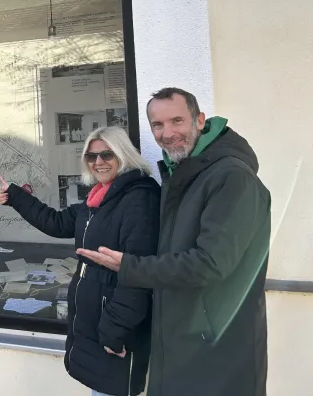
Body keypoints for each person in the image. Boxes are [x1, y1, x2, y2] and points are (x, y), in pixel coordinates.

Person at [78, 88, 271, 396]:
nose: (167, 133)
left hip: (215, 352)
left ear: (199, 120)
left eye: (177, 121)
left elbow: (210, 263)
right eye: (158, 125)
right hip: (182, 345)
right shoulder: (182, 174)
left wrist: (129, 266)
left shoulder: (230, 177)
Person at [0, 126, 160, 396]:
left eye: (107, 154)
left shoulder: (139, 198)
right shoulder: (99, 197)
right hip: (96, 317)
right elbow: (57, 222)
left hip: (113, 324)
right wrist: (15, 196)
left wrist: (113, 331)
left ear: (123, 155)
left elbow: (138, 274)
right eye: (91, 156)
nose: (98, 162)